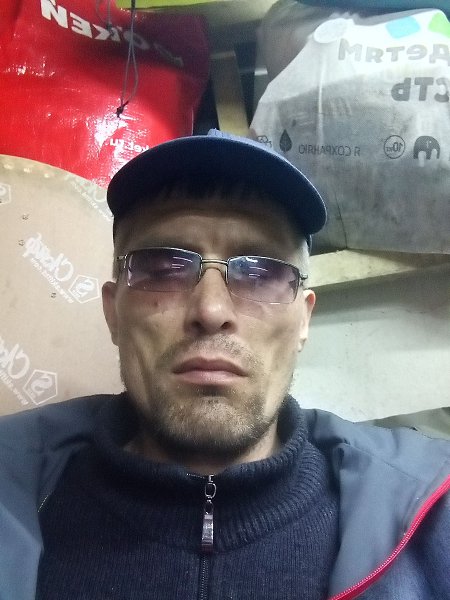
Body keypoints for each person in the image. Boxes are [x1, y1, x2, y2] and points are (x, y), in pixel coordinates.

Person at [0, 129, 449, 600]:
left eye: (260, 272)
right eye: (163, 268)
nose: (211, 310)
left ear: (303, 319)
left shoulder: (431, 516)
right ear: (113, 313)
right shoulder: (13, 489)